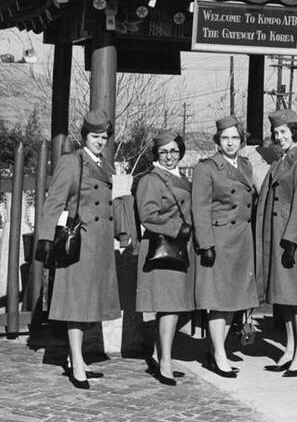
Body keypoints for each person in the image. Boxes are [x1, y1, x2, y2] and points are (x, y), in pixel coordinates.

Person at [36, 109, 121, 389]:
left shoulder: (107, 166)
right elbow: (54, 202)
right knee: (77, 306)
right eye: (95, 136)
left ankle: (78, 359)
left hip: (101, 246)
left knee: (90, 306)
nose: (100, 141)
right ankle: (76, 362)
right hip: (79, 244)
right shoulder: (72, 162)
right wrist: (46, 239)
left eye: (104, 137)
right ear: (85, 136)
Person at [192, 115, 260, 379]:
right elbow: (200, 208)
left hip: (242, 239)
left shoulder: (246, 165)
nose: (230, 143)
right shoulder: (206, 167)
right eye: (225, 138)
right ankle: (219, 354)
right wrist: (206, 244)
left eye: (234, 138)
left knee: (233, 300)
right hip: (219, 240)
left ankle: (216, 350)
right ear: (217, 141)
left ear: (241, 141)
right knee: (218, 300)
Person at [256, 109, 297, 377]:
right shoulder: (281, 161)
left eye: (283, 132)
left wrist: (291, 240)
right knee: (286, 297)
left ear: (295, 132)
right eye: (276, 133)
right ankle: (291, 348)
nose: (279, 137)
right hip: (281, 236)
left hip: (294, 238)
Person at [134, 130, 194, 386]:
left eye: (173, 151)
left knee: (177, 307)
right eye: (163, 152)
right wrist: (175, 228)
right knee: (169, 307)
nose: (169, 156)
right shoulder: (152, 179)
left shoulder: (181, 177)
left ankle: (161, 357)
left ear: (180, 151)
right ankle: (166, 363)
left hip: (182, 249)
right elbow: (147, 216)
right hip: (164, 248)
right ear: (156, 155)